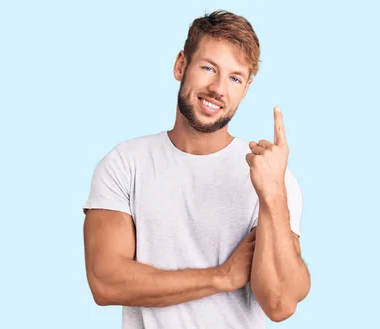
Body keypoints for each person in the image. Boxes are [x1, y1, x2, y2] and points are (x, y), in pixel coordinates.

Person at [82, 9, 310, 329]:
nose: (218, 88)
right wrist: (221, 277)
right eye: (208, 68)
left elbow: (280, 303)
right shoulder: (124, 164)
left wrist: (272, 195)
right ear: (181, 65)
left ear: (245, 88)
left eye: (235, 78)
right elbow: (105, 282)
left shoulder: (272, 176)